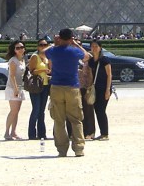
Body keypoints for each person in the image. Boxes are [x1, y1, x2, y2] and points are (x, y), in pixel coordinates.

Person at [44, 28, 90, 157]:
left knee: (59, 120)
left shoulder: (53, 51)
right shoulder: (75, 51)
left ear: (60, 37)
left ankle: (62, 149)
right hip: (72, 87)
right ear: (71, 38)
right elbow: (86, 56)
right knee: (76, 119)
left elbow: (43, 51)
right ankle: (79, 148)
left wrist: (55, 43)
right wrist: (75, 44)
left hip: (56, 87)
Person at [88, 40, 113, 140]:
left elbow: (109, 75)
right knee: (97, 110)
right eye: (92, 46)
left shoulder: (104, 60)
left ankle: (105, 133)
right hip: (96, 88)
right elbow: (91, 75)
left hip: (104, 88)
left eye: (96, 46)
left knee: (101, 110)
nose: (94, 48)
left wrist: (108, 89)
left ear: (100, 48)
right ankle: (103, 133)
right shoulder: (91, 61)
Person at [27, 38, 51, 140]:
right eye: (41, 45)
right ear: (38, 47)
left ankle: (42, 134)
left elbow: (50, 70)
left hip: (45, 85)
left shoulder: (47, 58)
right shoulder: (34, 56)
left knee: (42, 111)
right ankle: (32, 134)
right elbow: (32, 71)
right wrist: (43, 70)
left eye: (45, 45)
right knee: (36, 109)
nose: (43, 47)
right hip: (36, 85)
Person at [3, 40, 26, 140]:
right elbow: (12, 76)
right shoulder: (13, 60)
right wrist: (16, 89)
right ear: (14, 50)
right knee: (13, 111)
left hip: (20, 87)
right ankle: (7, 132)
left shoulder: (22, 59)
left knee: (17, 111)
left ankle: (13, 132)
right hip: (12, 88)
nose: (20, 49)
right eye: (18, 48)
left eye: (22, 47)